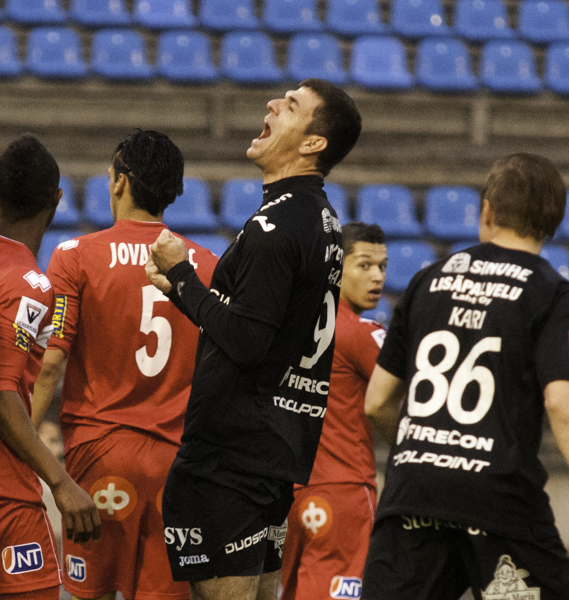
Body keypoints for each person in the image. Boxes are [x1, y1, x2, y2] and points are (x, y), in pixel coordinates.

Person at [145, 78, 362, 600]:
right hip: (272, 448)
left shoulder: (278, 224)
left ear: (313, 144)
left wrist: (182, 279)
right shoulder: (323, 218)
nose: (271, 104)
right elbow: (268, 325)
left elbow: (246, 341)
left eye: (290, 106)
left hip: (232, 456)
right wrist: (185, 292)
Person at [362, 153, 569, 600]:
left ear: (488, 211)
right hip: (497, 499)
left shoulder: (428, 279)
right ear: (554, 222)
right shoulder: (551, 292)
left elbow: (376, 401)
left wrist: (426, 453)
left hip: (413, 491)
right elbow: (560, 404)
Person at [32, 130, 218, 600]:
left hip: (99, 454)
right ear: (173, 192)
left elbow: (51, 363)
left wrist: (22, 447)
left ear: (119, 183)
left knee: (86, 595)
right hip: (176, 463)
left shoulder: (75, 256)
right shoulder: (206, 264)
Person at [0, 134, 100, 600]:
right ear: (56, 200)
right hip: (7, 494)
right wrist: (59, 481)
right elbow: (1, 392)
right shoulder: (27, 283)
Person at [280, 221, 388, 600]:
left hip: (287, 494)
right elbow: (404, 401)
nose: (377, 277)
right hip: (343, 492)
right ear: (336, 266)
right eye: (364, 265)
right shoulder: (364, 333)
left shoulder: (288, 323)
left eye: (382, 267)